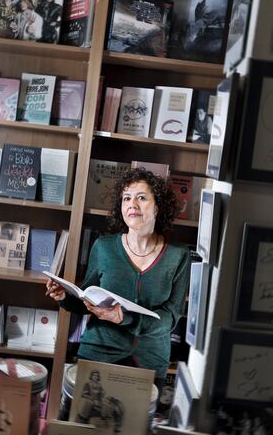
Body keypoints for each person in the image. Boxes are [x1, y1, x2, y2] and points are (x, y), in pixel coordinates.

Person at [46, 168, 191, 393]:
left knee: (137, 428)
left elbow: (170, 319)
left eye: (141, 197)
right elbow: (86, 300)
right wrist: (64, 296)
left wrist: (125, 318)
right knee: (84, 426)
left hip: (149, 362)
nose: (132, 204)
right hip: (99, 354)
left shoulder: (179, 255)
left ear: (158, 206)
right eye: (126, 198)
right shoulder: (103, 247)